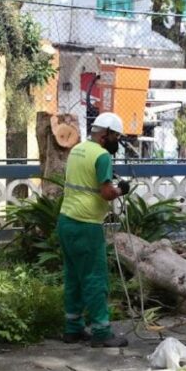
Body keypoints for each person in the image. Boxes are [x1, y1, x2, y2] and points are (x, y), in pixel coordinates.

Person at [58, 112, 130, 348]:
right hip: (86, 224)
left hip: (66, 221)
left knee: (74, 278)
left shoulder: (78, 149)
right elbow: (107, 193)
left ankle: (73, 328)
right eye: (115, 136)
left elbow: (85, 179)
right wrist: (121, 190)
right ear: (105, 135)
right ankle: (101, 332)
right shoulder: (102, 156)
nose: (116, 142)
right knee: (95, 278)